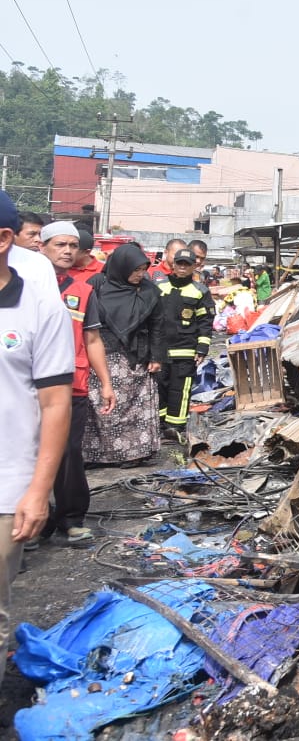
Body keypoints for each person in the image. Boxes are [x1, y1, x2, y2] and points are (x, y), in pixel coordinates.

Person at [0, 191, 73, 689]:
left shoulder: (41, 308)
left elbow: (55, 404)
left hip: (7, 484)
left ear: (3, 240)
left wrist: (37, 489)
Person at [38, 221, 112, 545]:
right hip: (28, 385)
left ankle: (70, 519)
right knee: (24, 454)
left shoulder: (83, 292)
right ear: (42, 248)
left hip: (73, 385)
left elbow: (92, 338)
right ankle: (32, 519)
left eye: (72, 245)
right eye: (60, 245)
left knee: (69, 454)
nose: (67, 250)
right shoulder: (22, 286)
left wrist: (106, 383)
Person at [81, 244, 164, 466]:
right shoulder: (98, 284)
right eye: (135, 269)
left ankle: (132, 453)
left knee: (133, 407)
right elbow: (85, 321)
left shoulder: (149, 291)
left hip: (135, 356)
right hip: (102, 355)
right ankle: (97, 455)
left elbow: (157, 325)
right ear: (121, 267)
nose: (140, 274)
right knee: (101, 406)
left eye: (143, 269)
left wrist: (156, 356)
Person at [155, 247, 211, 438]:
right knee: (159, 387)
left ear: (194, 267)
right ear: (173, 264)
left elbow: (205, 322)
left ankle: (176, 427)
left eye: (187, 265)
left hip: (185, 350)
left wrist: (202, 348)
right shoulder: (159, 286)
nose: (182, 268)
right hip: (160, 350)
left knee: (179, 389)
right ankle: (160, 424)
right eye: (180, 263)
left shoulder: (200, 291)